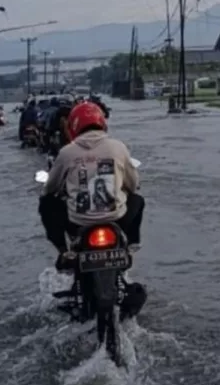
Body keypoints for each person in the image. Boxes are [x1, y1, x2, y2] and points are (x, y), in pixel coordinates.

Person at [39, 101, 145, 268]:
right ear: (102, 123)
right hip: (117, 219)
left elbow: (49, 188)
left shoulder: (66, 152)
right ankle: (131, 246)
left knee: (46, 203)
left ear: (74, 125)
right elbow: (133, 184)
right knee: (138, 199)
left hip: (78, 222)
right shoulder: (118, 147)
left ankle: (64, 251)